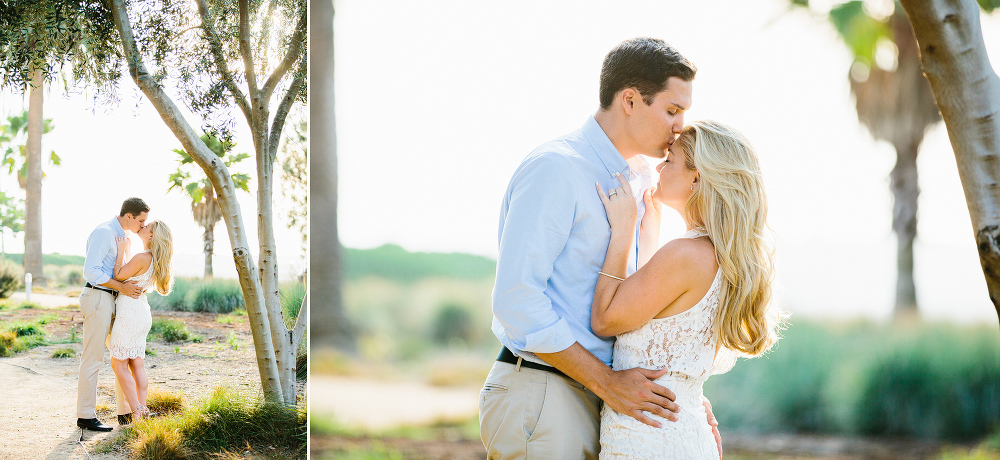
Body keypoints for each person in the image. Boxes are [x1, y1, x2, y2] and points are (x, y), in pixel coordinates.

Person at [479, 37, 719, 459]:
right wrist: (606, 383)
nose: (679, 126)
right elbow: (516, 300)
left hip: (610, 400)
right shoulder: (557, 169)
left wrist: (682, 389)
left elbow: (643, 302)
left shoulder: (646, 181)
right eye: (672, 110)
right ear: (629, 100)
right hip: (544, 390)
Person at [593, 120, 782, 459]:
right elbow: (659, 313)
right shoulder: (721, 258)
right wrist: (649, 232)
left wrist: (622, 231)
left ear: (697, 178)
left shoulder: (685, 254)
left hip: (649, 439)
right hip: (680, 432)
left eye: (670, 159)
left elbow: (605, 318)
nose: (658, 167)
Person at [78, 198, 148, 432]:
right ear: (129, 216)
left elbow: (121, 273)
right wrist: (122, 287)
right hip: (98, 297)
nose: (142, 225)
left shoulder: (124, 238)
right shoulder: (104, 232)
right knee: (94, 356)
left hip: (114, 299)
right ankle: (86, 416)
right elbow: (91, 271)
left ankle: (125, 413)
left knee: (122, 354)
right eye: (141, 220)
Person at [108, 220, 173, 423]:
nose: (142, 227)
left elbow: (118, 275)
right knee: (137, 364)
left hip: (129, 313)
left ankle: (136, 409)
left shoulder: (142, 257)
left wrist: (120, 251)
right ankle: (142, 409)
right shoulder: (155, 259)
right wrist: (128, 252)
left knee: (118, 364)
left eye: (147, 227)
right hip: (141, 313)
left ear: (152, 236)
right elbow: (132, 272)